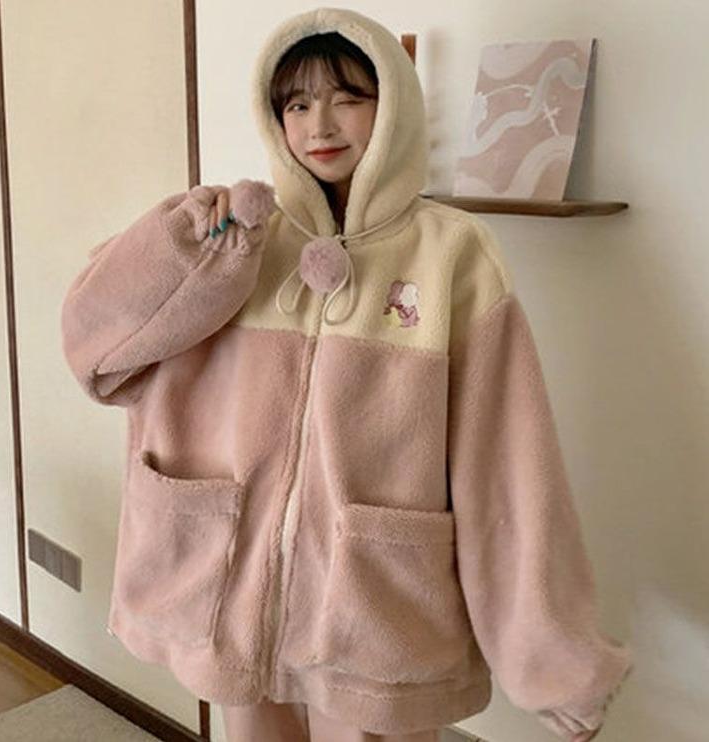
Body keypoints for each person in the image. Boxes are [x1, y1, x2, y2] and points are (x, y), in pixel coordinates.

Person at [60, 7, 634, 742]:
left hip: (372, 608)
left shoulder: (451, 253)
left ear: (391, 106)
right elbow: (98, 356)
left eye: (348, 98)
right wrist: (185, 248)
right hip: (227, 589)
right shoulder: (238, 241)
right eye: (297, 104)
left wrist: (554, 661)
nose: (320, 125)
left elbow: (508, 463)